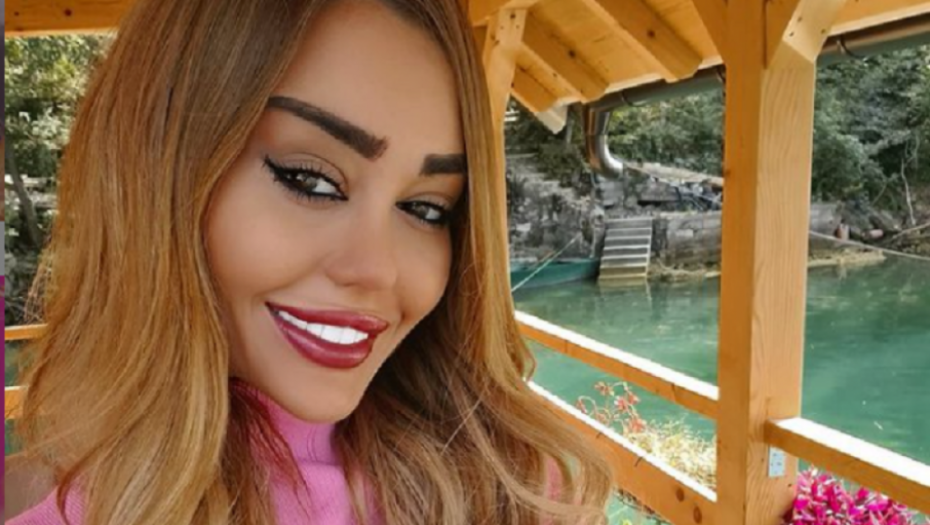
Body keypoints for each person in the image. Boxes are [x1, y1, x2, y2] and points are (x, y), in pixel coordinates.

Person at [4, 0, 615, 523]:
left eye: (426, 209)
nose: (378, 270)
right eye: (311, 180)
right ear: (158, 168)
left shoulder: (510, 491)